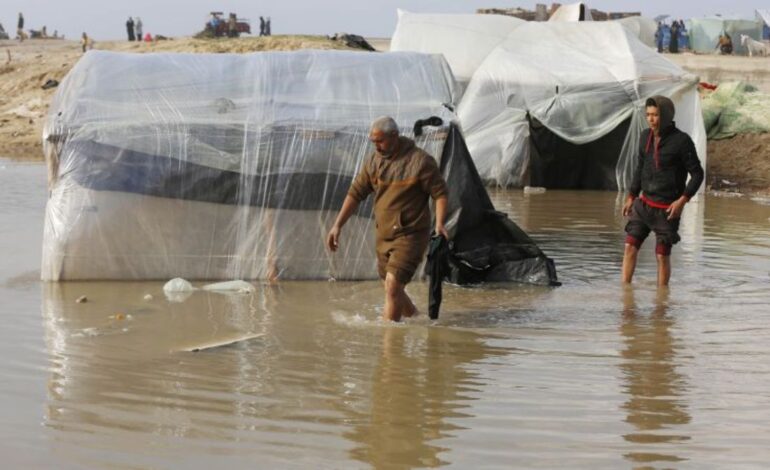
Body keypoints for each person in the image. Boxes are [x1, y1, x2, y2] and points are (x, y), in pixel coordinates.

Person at [326, 117, 449, 322]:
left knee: (392, 285)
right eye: (373, 142)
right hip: (384, 235)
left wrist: (440, 224)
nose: (376, 146)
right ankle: (418, 319)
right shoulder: (374, 162)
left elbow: (440, 193)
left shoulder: (420, 161)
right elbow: (355, 193)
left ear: (394, 136)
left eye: (380, 141)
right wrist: (337, 225)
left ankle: (388, 344)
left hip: (411, 234)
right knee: (392, 287)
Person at [621, 96, 704, 287]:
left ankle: (661, 303)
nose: (651, 119)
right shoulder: (644, 137)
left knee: (661, 256)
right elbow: (640, 168)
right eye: (648, 114)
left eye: (655, 115)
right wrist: (631, 196)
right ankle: (625, 298)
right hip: (643, 206)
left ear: (665, 116)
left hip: (667, 211)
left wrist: (682, 201)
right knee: (629, 247)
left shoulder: (682, 141)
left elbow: (698, 174)